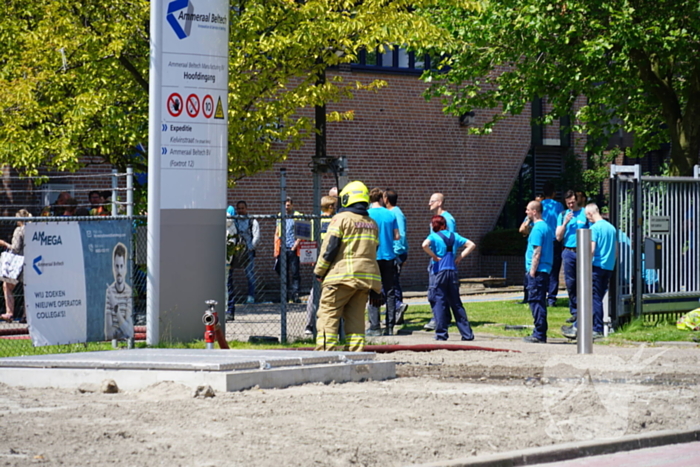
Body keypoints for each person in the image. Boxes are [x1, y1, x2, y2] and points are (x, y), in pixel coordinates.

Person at [314, 181, 381, 351]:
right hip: (365, 280)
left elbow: (330, 248)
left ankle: (324, 352)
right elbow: (374, 250)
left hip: (340, 278)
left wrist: (319, 271)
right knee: (356, 319)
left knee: (328, 315)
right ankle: (355, 353)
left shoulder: (341, 219)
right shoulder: (371, 223)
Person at [562, 203, 616, 340]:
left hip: (596, 267)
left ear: (591, 213)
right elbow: (616, 250)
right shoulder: (611, 228)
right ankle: (578, 325)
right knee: (597, 297)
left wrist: (583, 266)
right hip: (608, 267)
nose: (587, 219)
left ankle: (595, 328)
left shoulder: (594, 228)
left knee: (593, 299)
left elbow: (590, 250)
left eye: (587, 216)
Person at [422, 215, 476, 341]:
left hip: (439, 271)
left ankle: (441, 334)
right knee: (456, 303)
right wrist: (460, 257)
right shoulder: (454, 235)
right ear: (445, 224)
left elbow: (424, 245)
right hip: (452, 271)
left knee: (439, 301)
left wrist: (434, 256)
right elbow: (471, 244)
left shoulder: (434, 236)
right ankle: (467, 334)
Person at [367, 188, 400, 336]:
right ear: (381, 198)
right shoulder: (390, 214)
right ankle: (390, 326)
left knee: (374, 290)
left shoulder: (367, 215)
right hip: (389, 256)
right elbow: (397, 236)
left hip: (373, 257)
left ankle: (375, 326)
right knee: (390, 291)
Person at [556, 190, 590, 324]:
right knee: (571, 283)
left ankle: (585, 311)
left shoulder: (584, 213)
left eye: (572, 202)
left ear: (577, 201)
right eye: (568, 203)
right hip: (568, 251)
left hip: (583, 251)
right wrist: (565, 223)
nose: (570, 205)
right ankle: (575, 312)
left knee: (584, 281)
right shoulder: (563, 215)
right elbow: (558, 237)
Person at [305, 195, 337, 335]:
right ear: (331, 207)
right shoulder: (335, 220)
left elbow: (311, 241)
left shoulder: (315, 221)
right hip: (333, 262)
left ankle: (309, 325)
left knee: (315, 293)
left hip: (319, 262)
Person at [425, 192, 457, 331]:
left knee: (436, 290)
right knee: (441, 290)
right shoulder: (437, 219)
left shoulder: (448, 220)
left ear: (439, 202)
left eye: (432, 201)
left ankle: (438, 319)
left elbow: (452, 240)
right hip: (436, 258)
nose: (429, 203)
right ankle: (444, 318)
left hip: (442, 261)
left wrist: (450, 258)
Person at [523, 200, 554, 343]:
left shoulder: (537, 229)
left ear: (534, 211)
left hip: (538, 270)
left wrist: (532, 271)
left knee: (536, 302)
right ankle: (540, 332)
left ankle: (539, 334)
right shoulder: (546, 227)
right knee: (539, 301)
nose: (526, 212)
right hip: (545, 269)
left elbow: (537, 252)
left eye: (528, 210)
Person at [0, 209, 31, 322]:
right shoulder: (33, 229)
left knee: (6, 285)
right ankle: (26, 315)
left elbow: (16, 248)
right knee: (27, 289)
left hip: (19, 264)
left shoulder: (19, 230)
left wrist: (4, 244)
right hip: (32, 263)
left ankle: (9, 313)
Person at [384, 188, 409, 324]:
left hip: (395, 253)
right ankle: (395, 311)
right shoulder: (392, 213)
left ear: (387, 199)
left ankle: (397, 306)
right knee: (393, 283)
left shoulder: (396, 214)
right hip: (396, 252)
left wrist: (397, 253)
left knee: (391, 283)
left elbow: (400, 235)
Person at [541, 182, 565, 306]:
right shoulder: (559, 206)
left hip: (541, 241)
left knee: (541, 268)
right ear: (554, 193)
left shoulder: (539, 206)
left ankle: (540, 295)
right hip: (554, 241)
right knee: (554, 269)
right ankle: (551, 298)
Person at [275, 197, 302, 303]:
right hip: (283, 247)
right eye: (285, 205)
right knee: (283, 272)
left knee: (295, 272)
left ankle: (295, 294)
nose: (286, 207)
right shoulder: (280, 216)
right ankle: (285, 295)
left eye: (288, 205)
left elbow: (302, 231)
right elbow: (277, 232)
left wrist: (296, 244)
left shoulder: (297, 216)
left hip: (293, 247)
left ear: (292, 205)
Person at [104, 242, 133, 340]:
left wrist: (116, 309)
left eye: (121, 266)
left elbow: (129, 332)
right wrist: (122, 327)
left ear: (125, 268)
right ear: (113, 267)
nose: (119, 271)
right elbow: (108, 334)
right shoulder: (109, 291)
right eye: (116, 266)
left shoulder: (129, 292)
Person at [233, 200, 260, 304]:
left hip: (247, 251)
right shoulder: (234, 220)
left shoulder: (252, 221)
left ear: (246, 208)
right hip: (235, 251)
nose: (240, 210)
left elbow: (256, 236)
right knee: (230, 272)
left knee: (249, 274)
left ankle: (251, 296)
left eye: (242, 208)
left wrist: (250, 247)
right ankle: (231, 297)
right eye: (238, 208)